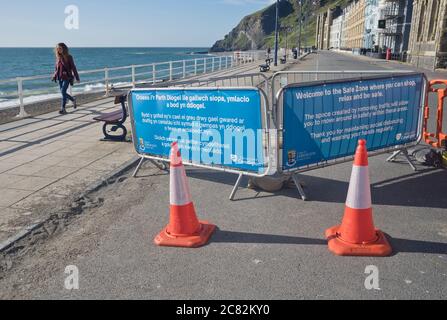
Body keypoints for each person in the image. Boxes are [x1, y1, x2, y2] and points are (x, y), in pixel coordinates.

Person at [52, 43, 80, 115]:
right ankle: (73, 99)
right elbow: (56, 69)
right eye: (57, 49)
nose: (59, 50)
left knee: (63, 91)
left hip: (67, 77)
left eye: (60, 48)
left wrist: (77, 77)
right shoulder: (58, 57)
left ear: (64, 49)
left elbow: (73, 68)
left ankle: (63, 108)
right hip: (59, 78)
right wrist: (54, 75)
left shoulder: (69, 57)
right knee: (63, 93)